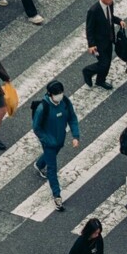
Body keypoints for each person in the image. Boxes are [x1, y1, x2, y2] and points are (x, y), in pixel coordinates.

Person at [33, 80, 80, 213]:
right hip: (49, 143)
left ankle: (39, 164)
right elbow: (36, 128)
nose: (60, 95)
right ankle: (57, 196)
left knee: (50, 157)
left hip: (60, 140)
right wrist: (48, 141)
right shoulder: (43, 108)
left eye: (61, 92)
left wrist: (75, 136)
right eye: (57, 93)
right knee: (52, 168)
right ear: (50, 94)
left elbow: (72, 117)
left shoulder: (65, 101)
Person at [83, 0, 125, 90]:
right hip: (99, 43)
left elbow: (110, 18)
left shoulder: (109, 4)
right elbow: (89, 29)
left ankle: (100, 80)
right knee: (104, 64)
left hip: (109, 40)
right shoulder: (94, 10)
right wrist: (91, 45)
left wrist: (119, 21)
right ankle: (88, 71)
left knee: (108, 62)